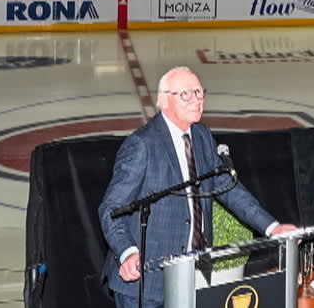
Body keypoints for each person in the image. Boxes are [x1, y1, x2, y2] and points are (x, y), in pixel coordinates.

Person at [98, 66, 298, 308]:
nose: (197, 100)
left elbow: (228, 187)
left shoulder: (202, 135)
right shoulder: (142, 145)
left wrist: (272, 227)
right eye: (187, 94)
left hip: (191, 275)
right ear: (164, 100)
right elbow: (111, 208)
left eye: (200, 93)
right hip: (145, 284)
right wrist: (127, 252)